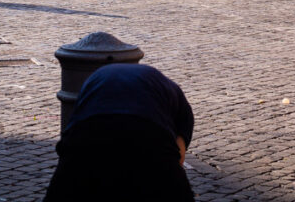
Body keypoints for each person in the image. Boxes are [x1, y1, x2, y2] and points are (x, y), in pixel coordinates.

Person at [44, 63, 195, 202]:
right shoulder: (180, 108)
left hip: (90, 127)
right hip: (146, 129)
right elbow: (178, 157)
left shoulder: (97, 78)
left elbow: (75, 123)